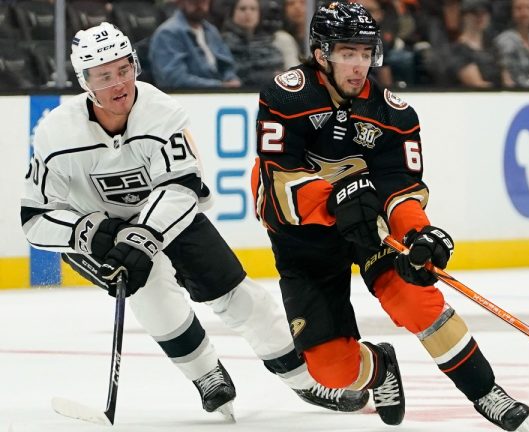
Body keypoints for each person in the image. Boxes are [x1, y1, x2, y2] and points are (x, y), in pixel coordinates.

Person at [20, 22, 368, 420]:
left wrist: (145, 235)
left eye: (124, 69)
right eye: (103, 76)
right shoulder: (55, 133)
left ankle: (308, 381)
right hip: (98, 233)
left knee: (240, 297)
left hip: (164, 217)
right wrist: (91, 233)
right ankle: (206, 375)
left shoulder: (162, 112)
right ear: (85, 82)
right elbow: (35, 218)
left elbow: (181, 190)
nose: (119, 84)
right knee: (149, 290)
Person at [251, 2, 529, 430]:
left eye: (366, 53)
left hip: (366, 228)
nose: (359, 64)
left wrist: (419, 234)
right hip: (303, 237)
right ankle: (379, 367)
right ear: (321, 53)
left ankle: (486, 392)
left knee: (417, 299)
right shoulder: (285, 97)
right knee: (331, 371)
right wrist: (334, 200)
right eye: (348, 52)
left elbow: (401, 190)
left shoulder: (393, 114)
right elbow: (278, 186)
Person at [150, 0, 241, 88]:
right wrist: (219, 86)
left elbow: (227, 65)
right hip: (185, 98)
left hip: (220, 95)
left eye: (204, 2)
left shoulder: (211, 31)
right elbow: (174, 79)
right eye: (194, 1)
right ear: (182, 2)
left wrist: (231, 79)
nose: (200, 6)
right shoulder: (168, 33)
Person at [221, 0, 285, 88]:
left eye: (253, 9)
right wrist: (269, 76)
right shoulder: (224, 42)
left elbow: (279, 66)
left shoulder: (268, 42)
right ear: (232, 13)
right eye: (242, 9)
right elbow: (236, 73)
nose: (248, 13)